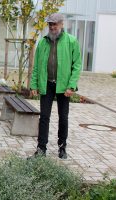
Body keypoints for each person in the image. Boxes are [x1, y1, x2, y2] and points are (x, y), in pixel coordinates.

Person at [30, 13, 81, 159]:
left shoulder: (71, 41)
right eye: (50, 24)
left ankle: (62, 147)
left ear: (61, 25)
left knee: (63, 117)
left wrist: (71, 86)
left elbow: (77, 65)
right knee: (44, 117)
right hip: (47, 84)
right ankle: (41, 149)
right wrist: (34, 84)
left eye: (55, 24)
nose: (52, 27)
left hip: (63, 87)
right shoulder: (42, 42)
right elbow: (36, 66)